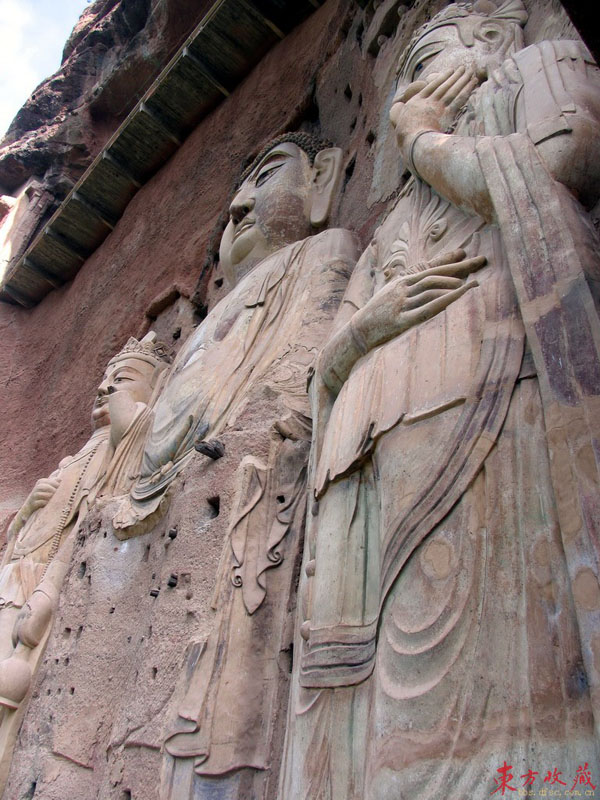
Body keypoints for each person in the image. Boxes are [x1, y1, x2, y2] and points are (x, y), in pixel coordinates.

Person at [282, 3, 600, 798]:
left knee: (505, 631)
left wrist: (425, 140)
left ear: (488, 43)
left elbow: (565, 161)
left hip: (498, 390)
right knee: (394, 673)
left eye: (423, 60)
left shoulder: (536, 68)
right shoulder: (399, 219)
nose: (403, 90)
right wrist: (367, 331)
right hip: (376, 452)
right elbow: (332, 351)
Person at [150, 133, 360, 799]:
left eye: (266, 178)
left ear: (322, 182)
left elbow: (300, 363)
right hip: (163, 514)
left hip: (241, 494)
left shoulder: (321, 253)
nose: (239, 207)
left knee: (219, 699)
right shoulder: (211, 319)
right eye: (235, 193)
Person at [0, 332, 169, 784]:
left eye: (123, 378)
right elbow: (23, 537)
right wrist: (28, 512)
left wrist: (47, 589)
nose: (105, 387)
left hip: (39, 587)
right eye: (104, 378)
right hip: (12, 579)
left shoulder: (125, 441)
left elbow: (97, 514)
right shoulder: (77, 455)